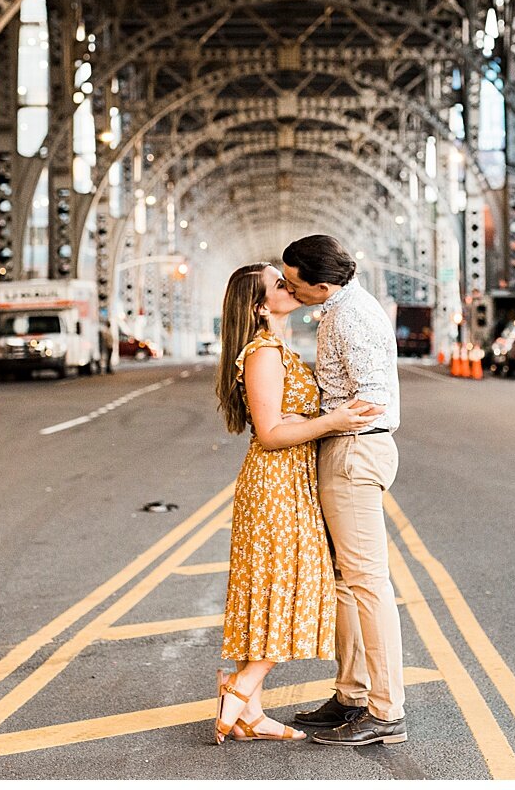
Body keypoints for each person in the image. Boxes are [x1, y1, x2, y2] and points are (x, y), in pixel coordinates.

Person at [212, 262, 380, 745]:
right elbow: (270, 434)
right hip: (275, 485)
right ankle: (240, 687)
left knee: (269, 591)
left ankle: (252, 714)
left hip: (289, 479)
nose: (291, 287)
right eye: (279, 284)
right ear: (261, 306)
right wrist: (335, 421)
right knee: (294, 586)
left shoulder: (279, 347)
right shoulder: (264, 351)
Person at [281, 235, 408, 747]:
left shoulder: (350, 316)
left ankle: (385, 711)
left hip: (355, 451)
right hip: (349, 449)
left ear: (323, 284)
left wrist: (321, 421)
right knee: (347, 583)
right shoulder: (343, 307)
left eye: (294, 283)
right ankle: (352, 695)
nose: (289, 289)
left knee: (367, 583)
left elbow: (372, 398)